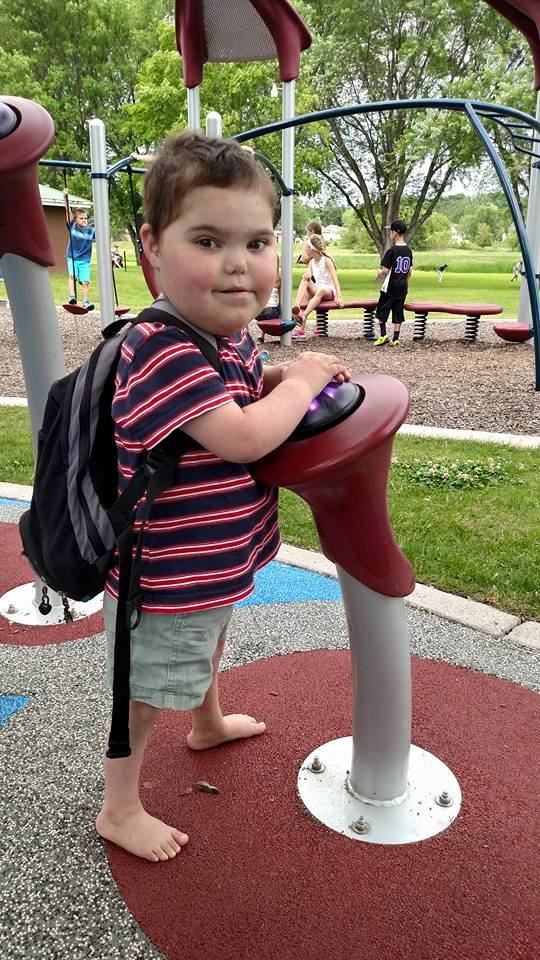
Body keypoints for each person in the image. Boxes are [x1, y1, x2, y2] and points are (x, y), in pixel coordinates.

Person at [95, 130, 350, 863]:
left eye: (257, 242)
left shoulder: (227, 330)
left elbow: (236, 388)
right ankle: (119, 806)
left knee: (211, 642)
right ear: (152, 248)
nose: (239, 263)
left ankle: (205, 723)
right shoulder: (163, 345)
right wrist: (303, 381)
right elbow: (241, 437)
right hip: (166, 573)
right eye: (208, 241)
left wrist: (274, 376)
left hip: (210, 558)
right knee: (144, 692)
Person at [292, 235, 344, 338]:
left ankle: (303, 316)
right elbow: (309, 275)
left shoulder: (327, 261)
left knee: (322, 290)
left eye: (307, 248)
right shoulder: (311, 262)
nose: (306, 250)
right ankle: (297, 308)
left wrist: (339, 296)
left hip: (329, 291)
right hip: (318, 289)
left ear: (312, 249)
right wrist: (307, 276)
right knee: (305, 280)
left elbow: (335, 280)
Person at [373, 219, 413, 347]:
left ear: (395, 233)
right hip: (402, 288)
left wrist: (379, 272)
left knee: (382, 311)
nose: (390, 234)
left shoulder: (392, 251)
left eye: (390, 231)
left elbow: (385, 271)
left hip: (390, 288)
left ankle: (383, 335)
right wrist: (404, 282)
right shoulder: (408, 251)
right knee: (398, 312)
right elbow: (409, 271)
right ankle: (396, 339)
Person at [63, 188, 96, 310]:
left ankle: (86, 302)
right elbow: (68, 212)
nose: (84, 220)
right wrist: (65, 198)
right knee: (73, 276)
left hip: (84, 260)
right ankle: (72, 296)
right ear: (75, 220)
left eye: (85, 218)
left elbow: (102, 232)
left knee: (86, 281)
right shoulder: (73, 227)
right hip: (72, 257)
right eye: (81, 218)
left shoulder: (91, 231)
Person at [255, 256, 281, 343]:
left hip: (261, 313)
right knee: (269, 308)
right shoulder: (278, 280)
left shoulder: (261, 278)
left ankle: (260, 336)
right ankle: (294, 314)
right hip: (270, 312)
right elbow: (281, 300)